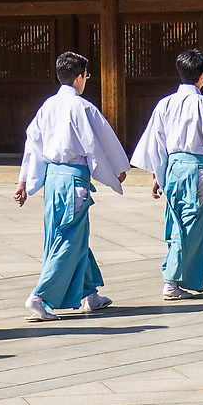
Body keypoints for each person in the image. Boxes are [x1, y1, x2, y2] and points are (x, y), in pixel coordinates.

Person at [15, 51, 130, 319]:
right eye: (86, 76)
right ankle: (40, 295)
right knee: (68, 237)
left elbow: (32, 145)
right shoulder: (82, 107)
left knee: (72, 234)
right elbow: (99, 142)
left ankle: (89, 293)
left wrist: (23, 180)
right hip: (73, 178)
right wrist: (117, 169)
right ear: (79, 77)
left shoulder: (47, 106)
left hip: (53, 179)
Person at [130, 48, 203, 298]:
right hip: (197, 169)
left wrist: (157, 176)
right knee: (190, 225)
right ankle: (171, 282)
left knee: (182, 222)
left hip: (173, 169)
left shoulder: (165, 104)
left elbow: (156, 145)